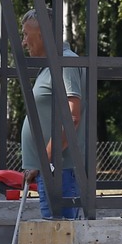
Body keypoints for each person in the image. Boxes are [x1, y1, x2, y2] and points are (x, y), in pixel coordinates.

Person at [19, 12, 85, 220]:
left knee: (60, 235)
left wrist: (43, 159)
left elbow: (72, 117)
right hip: (51, 171)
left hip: (58, 172)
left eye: (26, 35)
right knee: (55, 235)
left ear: (42, 35)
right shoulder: (51, 66)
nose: (23, 42)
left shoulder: (65, 63)